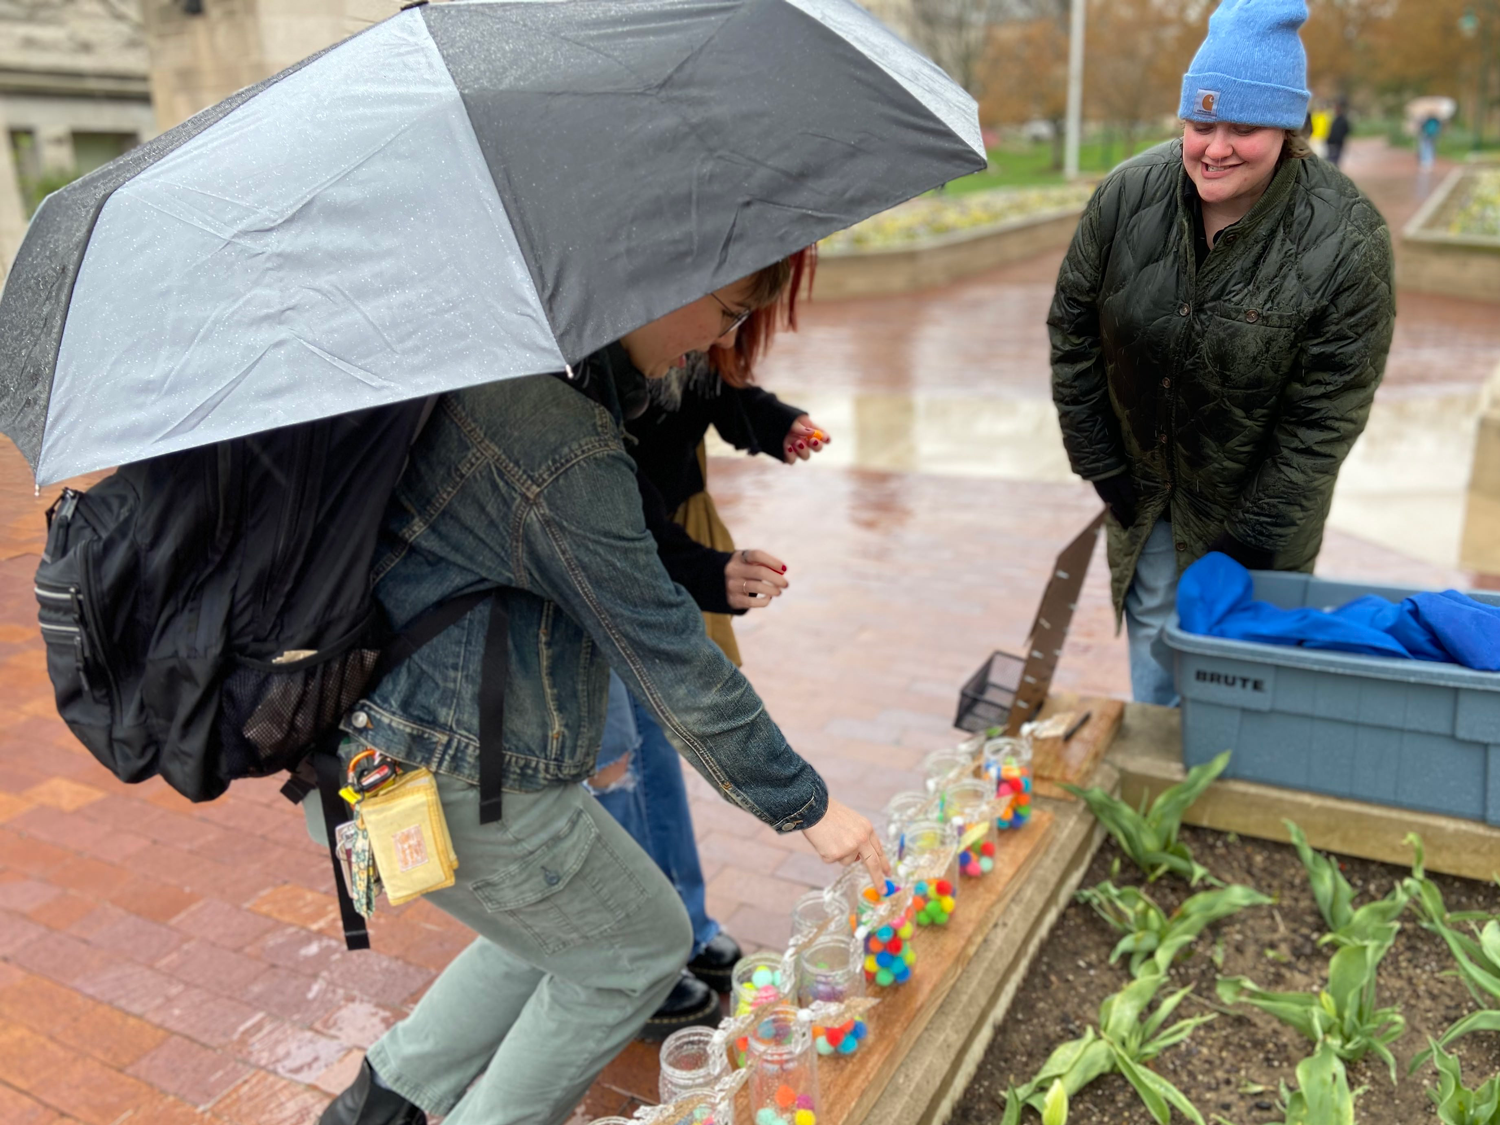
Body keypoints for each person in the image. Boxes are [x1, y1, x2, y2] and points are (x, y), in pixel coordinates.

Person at [315, 255, 888, 1125]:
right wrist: (805, 804)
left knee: (551, 933)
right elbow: (665, 646)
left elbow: (629, 539)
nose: (722, 341)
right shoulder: (552, 434)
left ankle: (372, 1110)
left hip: (385, 745)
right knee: (643, 945)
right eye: (725, 310)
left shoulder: (529, 377)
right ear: (651, 282)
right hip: (450, 761)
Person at [1048, 0, 1396, 707]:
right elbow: (1074, 331)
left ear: (1290, 129)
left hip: (1260, 522)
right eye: (1201, 124)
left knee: (1240, 670)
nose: (1216, 146)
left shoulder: (1348, 240)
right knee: (1157, 644)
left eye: (1244, 127)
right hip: (1144, 496)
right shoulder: (1125, 197)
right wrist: (1101, 464)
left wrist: (1249, 540)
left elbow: (1325, 416)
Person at [586, 262, 831, 1033]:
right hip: (603, 566)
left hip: (658, 554)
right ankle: (636, 957)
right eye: (727, 311)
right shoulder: (580, 371)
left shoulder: (680, 344)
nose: (727, 336)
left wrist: (775, 423)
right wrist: (702, 572)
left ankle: (682, 926)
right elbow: (606, 496)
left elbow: (720, 397)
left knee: (656, 740)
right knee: (614, 759)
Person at [1326, 99, 1350, 167]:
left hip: (1337, 143)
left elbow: (1346, 130)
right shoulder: (1335, 119)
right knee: (1331, 159)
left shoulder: (1343, 119)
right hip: (1331, 142)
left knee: (1334, 160)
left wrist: (1339, 138)